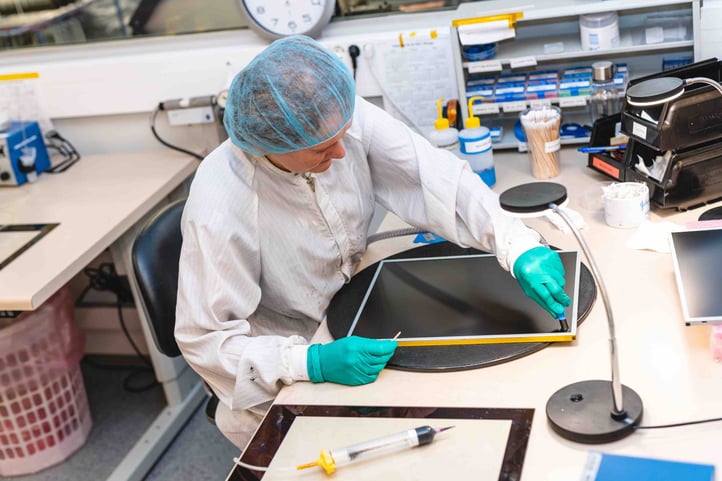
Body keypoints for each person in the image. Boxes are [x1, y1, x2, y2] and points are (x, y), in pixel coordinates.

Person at [174, 35, 571, 449]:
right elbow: (206, 340)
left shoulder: (332, 116)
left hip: (356, 305)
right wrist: (310, 362)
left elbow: (433, 178)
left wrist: (516, 243)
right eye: (322, 151)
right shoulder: (221, 204)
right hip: (285, 365)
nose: (344, 154)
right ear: (267, 148)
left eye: (343, 136)